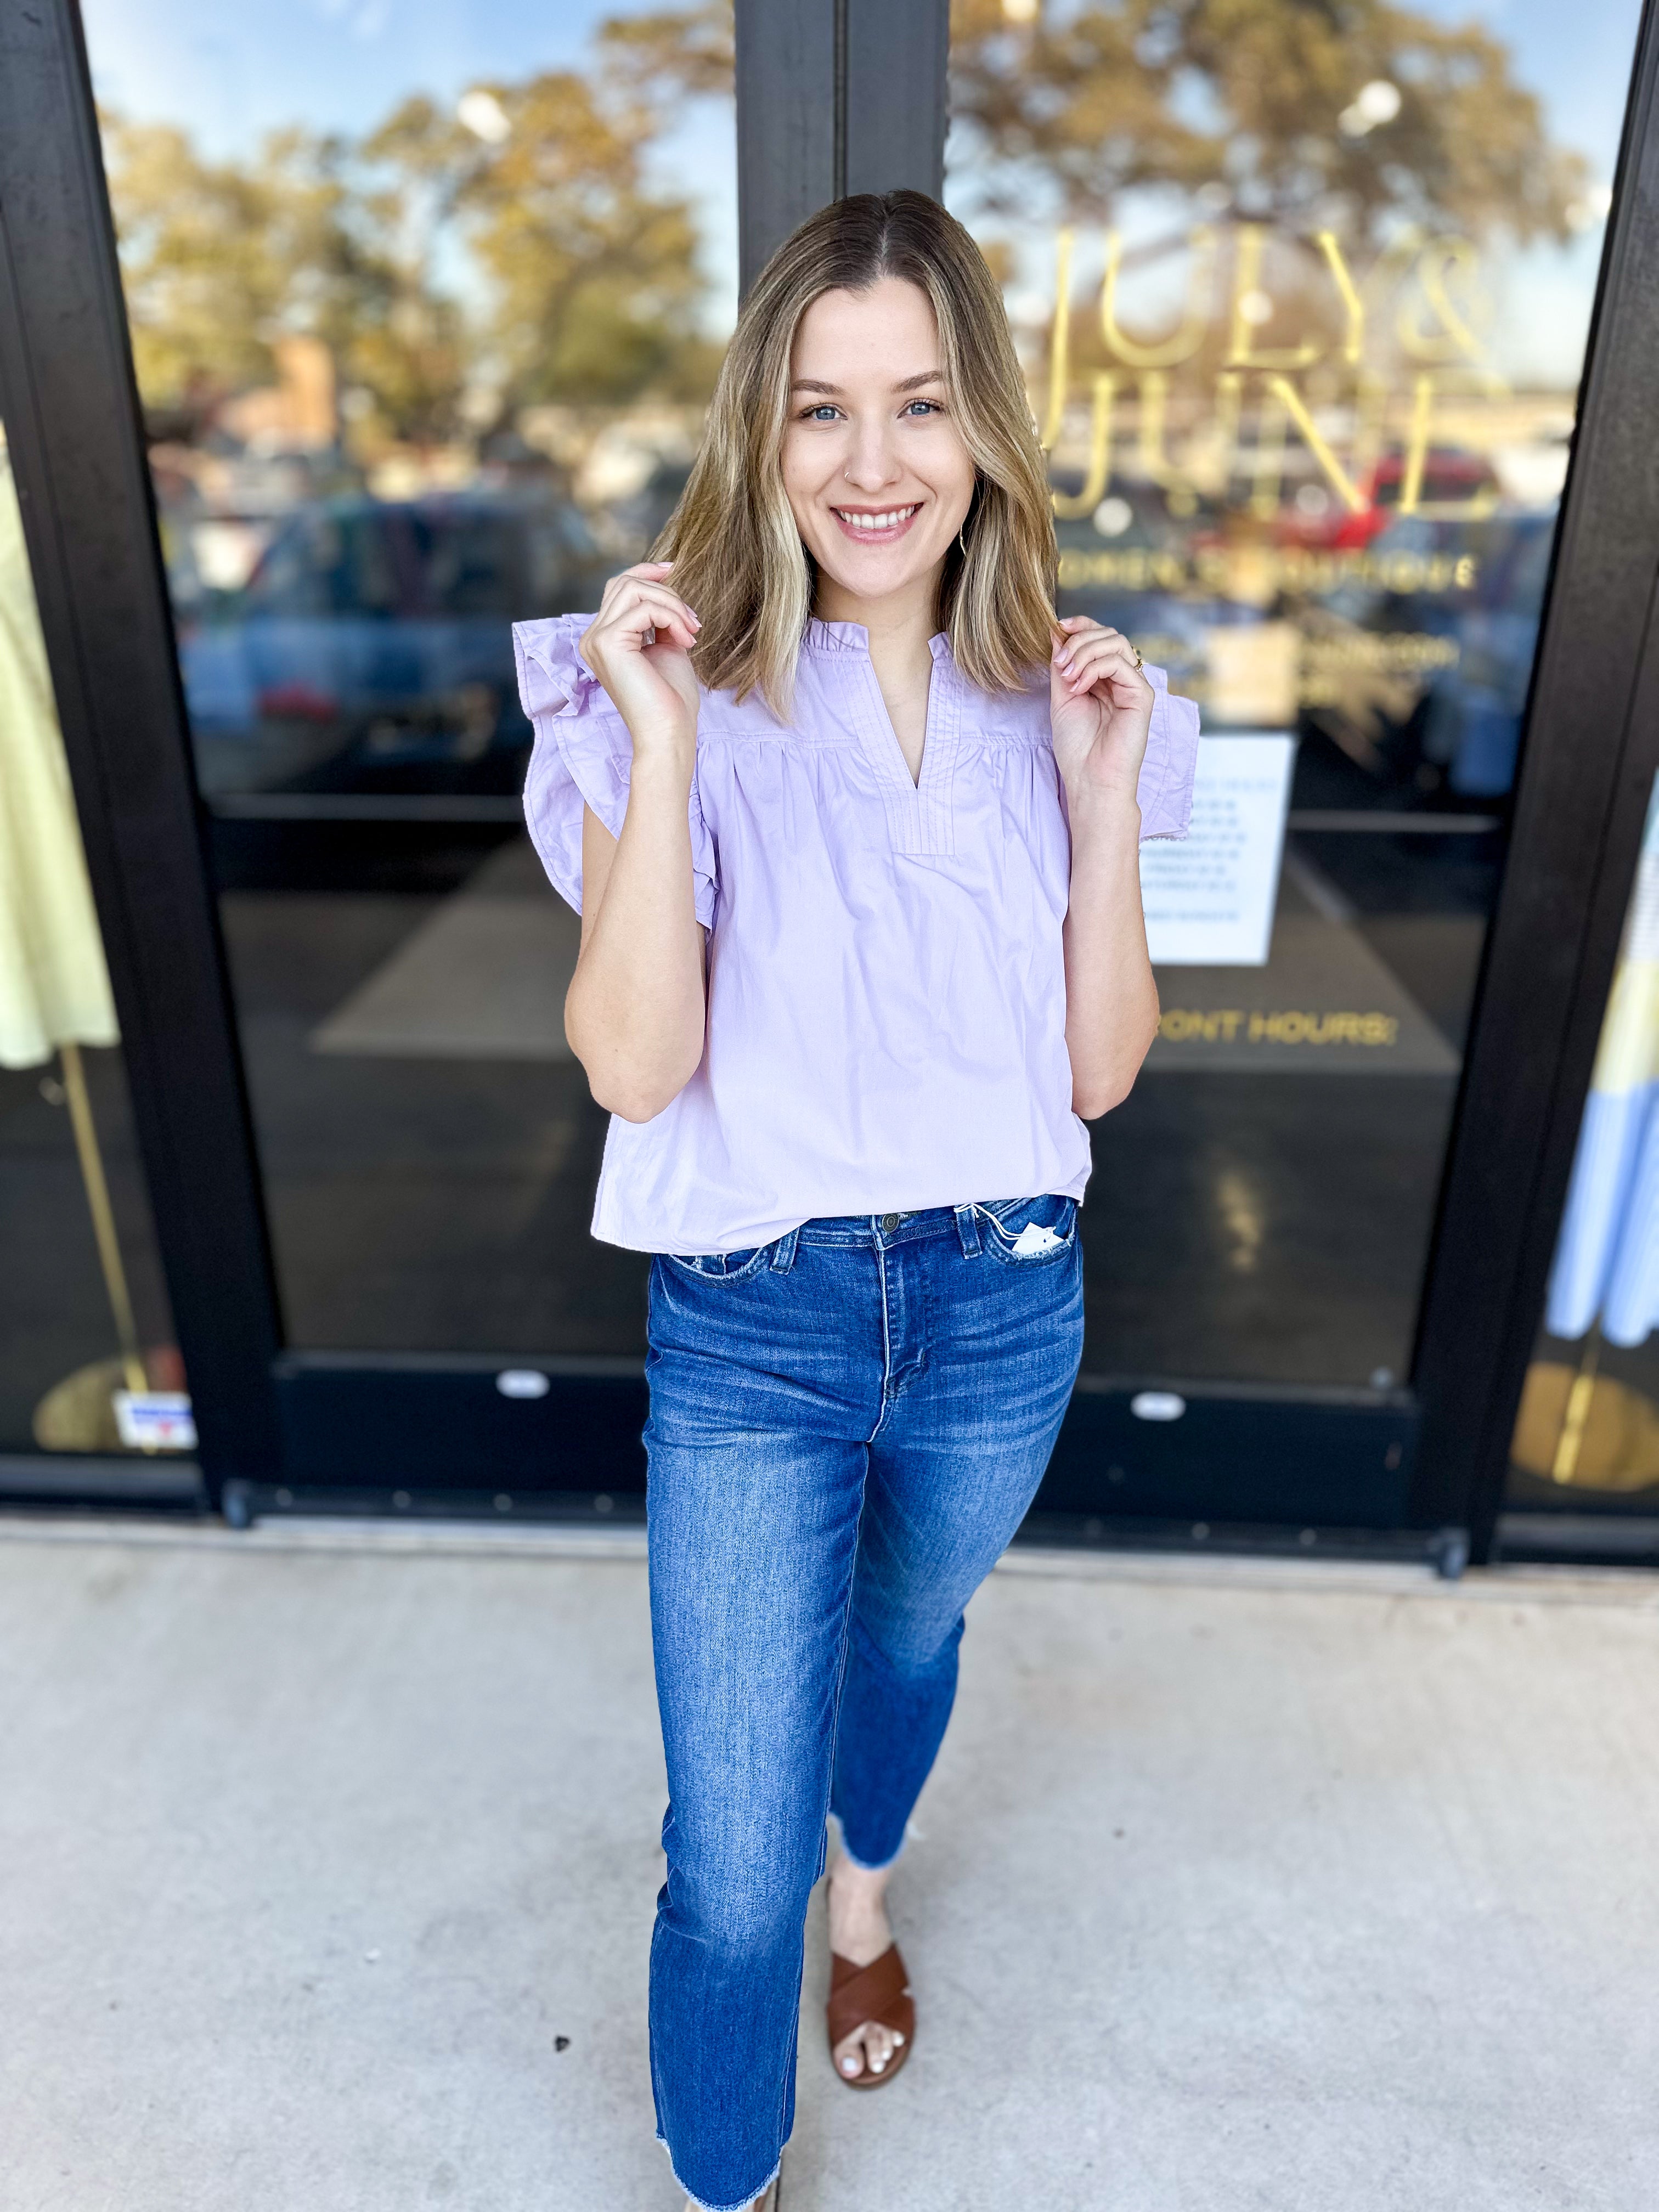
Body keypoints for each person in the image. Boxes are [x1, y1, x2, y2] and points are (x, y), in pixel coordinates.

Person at [512, 189, 1197, 2212]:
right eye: (822, 413)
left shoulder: (1066, 701)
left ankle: (870, 1899)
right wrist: (655, 745)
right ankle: (727, 2182)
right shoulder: (665, 694)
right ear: (761, 432)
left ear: (984, 424)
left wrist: (1098, 797)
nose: (873, 465)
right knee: (726, 1852)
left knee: (904, 1648)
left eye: (919, 406)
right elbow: (638, 1067)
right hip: (752, 1323)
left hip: (1002, 1300)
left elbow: (1096, 1073)